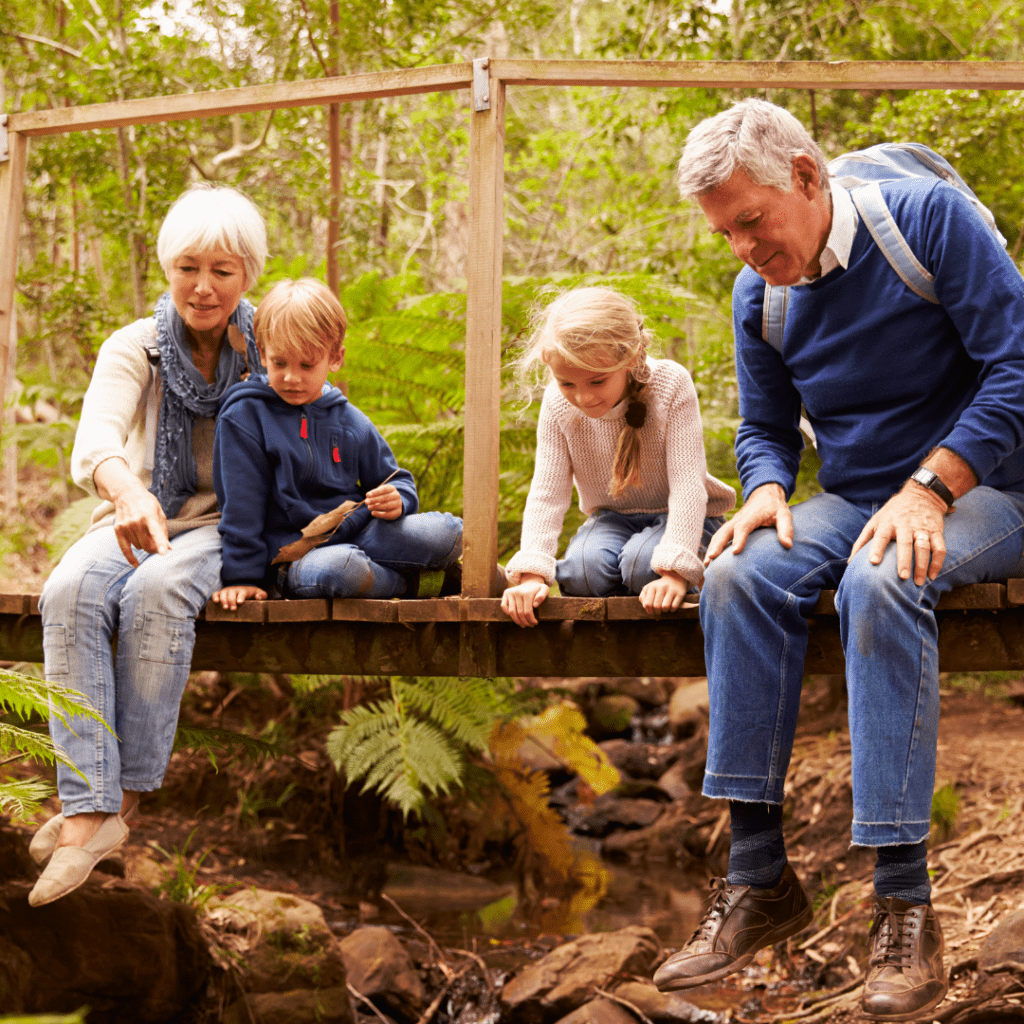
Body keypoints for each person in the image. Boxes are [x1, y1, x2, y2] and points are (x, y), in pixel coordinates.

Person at [652, 98, 1024, 1022]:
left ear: (809, 179)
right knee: (737, 573)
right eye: (725, 232)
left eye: (752, 222)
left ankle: (904, 907)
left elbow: (1018, 366)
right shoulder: (761, 292)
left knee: (885, 574)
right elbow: (767, 426)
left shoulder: (929, 225)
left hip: (989, 490)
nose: (743, 247)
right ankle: (758, 876)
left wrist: (931, 488)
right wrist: (770, 485)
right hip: (858, 497)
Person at [29, 183, 269, 907]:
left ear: (246, 275)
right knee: (68, 590)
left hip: (237, 524)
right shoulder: (136, 345)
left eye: (222, 271)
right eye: (187, 267)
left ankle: (112, 809)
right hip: (143, 513)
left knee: (157, 591)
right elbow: (96, 440)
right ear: (167, 267)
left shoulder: (271, 343)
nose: (202, 287)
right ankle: (88, 808)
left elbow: (317, 422)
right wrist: (127, 491)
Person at [209, 277, 462, 610]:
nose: (291, 377)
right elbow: (241, 508)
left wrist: (398, 499)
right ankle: (415, 582)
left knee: (449, 532)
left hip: (359, 531)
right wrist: (243, 577)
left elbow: (393, 478)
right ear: (261, 351)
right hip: (297, 556)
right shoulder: (245, 417)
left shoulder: (348, 419)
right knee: (342, 569)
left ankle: (405, 574)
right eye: (280, 362)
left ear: (335, 357)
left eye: (307, 364)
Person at [500, 286, 735, 627]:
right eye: (567, 383)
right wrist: (533, 574)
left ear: (632, 356)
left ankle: (689, 564)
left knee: (645, 567)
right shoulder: (556, 403)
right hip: (612, 518)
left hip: (683, 518)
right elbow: (546, 494)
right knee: (582, 574)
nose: (582, 397)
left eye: (597, 381)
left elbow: (688, 486)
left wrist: (675, 572)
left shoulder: (670, 385)